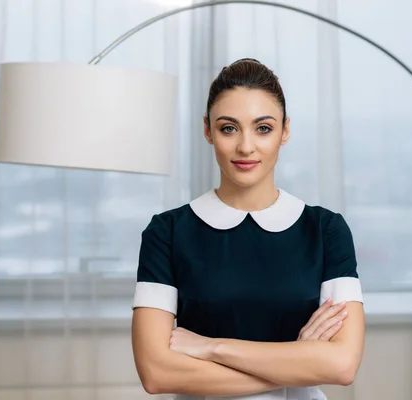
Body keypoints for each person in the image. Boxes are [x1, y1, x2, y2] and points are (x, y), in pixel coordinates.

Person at [131, 58, 365, 400]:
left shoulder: (325, 230)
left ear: (285, 131)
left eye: (263, 128)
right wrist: (298, 362)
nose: (245, 146)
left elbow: (342, 365)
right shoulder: (167, 232)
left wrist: (212, 348)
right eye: (228, 128)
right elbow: (156, 373)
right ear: (207, 130)